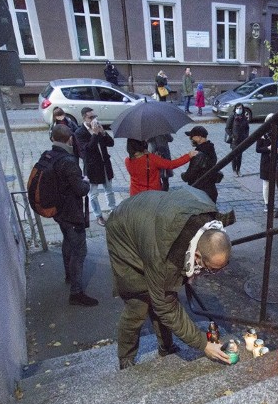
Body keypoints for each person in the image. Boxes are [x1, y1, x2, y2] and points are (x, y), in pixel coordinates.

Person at [106, 187, 233, 369]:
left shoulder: (209, 221)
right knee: (139, 303)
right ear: (197, 256)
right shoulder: (164, 261)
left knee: (161, 292)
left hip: (151, 218)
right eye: (211, 269)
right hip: (123, 229)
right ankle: (126, 359)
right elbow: (165, 305)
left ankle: (166, 347)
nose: (212, 274)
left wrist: (191, 272)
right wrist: (202, 344)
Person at [49, 125, 97, 307]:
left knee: (67, 242)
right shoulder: (68, 161)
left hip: (59, 212)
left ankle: (69, 275)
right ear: (69, 140)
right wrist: (85, 181)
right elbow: (82, 190)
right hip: (71, 213)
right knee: (79, 251)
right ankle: (76, 292)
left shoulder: (50, 156)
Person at [74, 107, 116, 226]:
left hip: (104, 164)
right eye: (90, 117)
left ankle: (113, 210)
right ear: (84, 118)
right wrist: (95, 134)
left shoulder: (98, 127)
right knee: (93, 194)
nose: (93, 119)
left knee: (109, 190)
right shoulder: (79, 132)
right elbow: (87, 149)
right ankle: (98, 215)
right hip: (92, 167)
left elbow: (111, 143)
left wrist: (103, 133)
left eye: (94, 116)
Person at [125, 138, 197, 195]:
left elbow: (141, 172)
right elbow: (171, 165)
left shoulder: (127, 161)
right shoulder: (151, 158)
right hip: (152, 196)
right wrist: (188, 156)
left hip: (134, 195)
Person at [180, 125, 222, 203]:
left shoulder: (199, 154)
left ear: (199, 137)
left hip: (200, 192)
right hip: (210, 190)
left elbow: (190, 174)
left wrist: (183, 176)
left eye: (192, 137)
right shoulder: (210, 149)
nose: (191, 139)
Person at [256, 114, 278, 212]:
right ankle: (267, 203)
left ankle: (273, 202)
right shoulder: (262, 133)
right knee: (266, 183)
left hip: (276, 159)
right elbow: (258, 149)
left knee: (275, 183)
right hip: (266, 160)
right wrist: (267, 148)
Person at [225, 103, 250, 177]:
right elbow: (227, 128)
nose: (239, 110)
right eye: (238, 108)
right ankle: (234, 170)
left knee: (240, 155)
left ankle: (238, 170)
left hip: (242, 139)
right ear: (235, 109)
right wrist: (232, 136)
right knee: (234, 155)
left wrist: (246, 136)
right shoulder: (232, 116)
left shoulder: (244, 117)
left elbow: (247, 128)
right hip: (234, 140)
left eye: (240, 108)